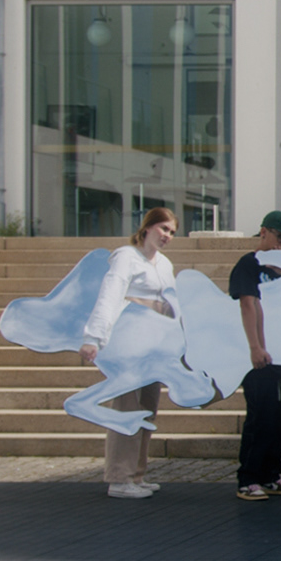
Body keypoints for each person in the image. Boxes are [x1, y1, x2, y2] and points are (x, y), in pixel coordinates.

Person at [80, 207, 178, 500]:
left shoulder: (165, 264)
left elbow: (172, 304)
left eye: (172, 232)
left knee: (147, 406)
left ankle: (137, 474)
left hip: (154, 343)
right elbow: (110, 294)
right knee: (127, 406)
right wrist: (94, 337)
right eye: (163, 228)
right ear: (147, 227)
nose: (167, 236)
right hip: (128, 341)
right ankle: (119, 478)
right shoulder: (126, 256)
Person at [232, 210, 281, 501]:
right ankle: (248, 478)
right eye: (279, 237)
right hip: (260, 355)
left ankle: (271, 474)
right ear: (263, 232)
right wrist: (255, 347)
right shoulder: (248, 265)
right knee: (261, 417)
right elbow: (248, 305)